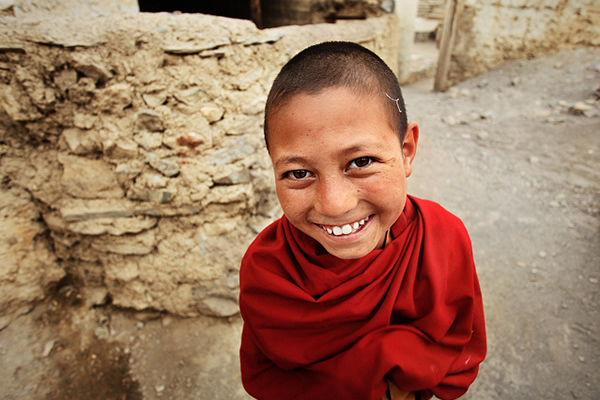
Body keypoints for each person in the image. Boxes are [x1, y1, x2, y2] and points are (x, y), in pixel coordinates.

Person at [238, 41, 486, 400]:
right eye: (299, 173)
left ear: (406, 152)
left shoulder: (442, 235)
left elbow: (459, 345)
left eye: (361, 162)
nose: (335, 205)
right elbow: (266, 376)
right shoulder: (269, 270)